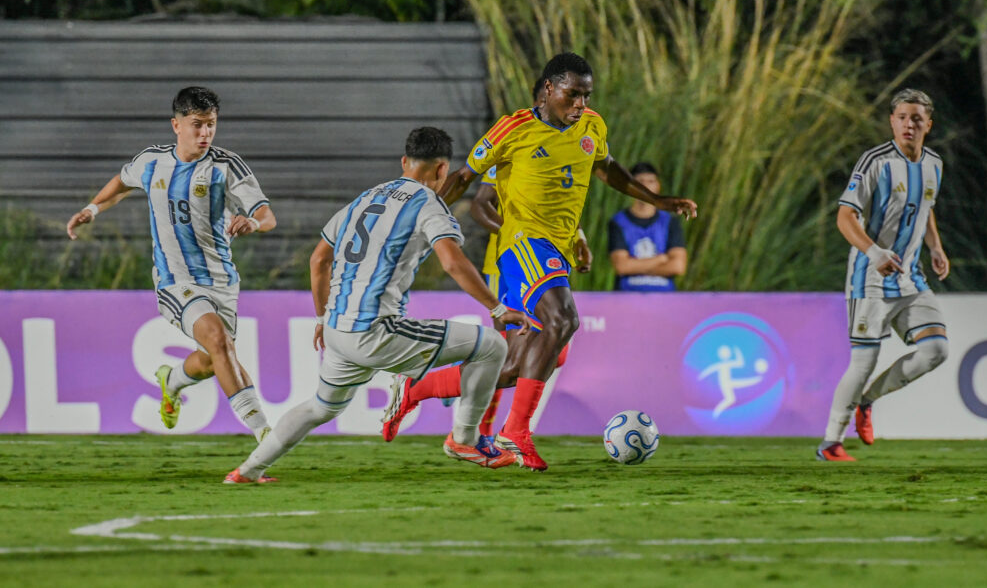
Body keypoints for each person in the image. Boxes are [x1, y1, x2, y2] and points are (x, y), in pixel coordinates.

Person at [382, 52, 698, 471]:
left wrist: (657, 202)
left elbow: (606, 169)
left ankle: (417, 388)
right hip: (522, 244)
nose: (581, 104)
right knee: (563, 320)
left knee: (515, 364)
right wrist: (419, 217)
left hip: (558, 250)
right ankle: (515, 433)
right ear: (549, 88)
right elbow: (465, 180)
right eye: (573, 94)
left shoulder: (592, 126)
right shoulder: (513, 129)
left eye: (586, 95)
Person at [223, 126, 530, 483]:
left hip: (338, 328)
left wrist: (322, 317)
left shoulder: (365, 198)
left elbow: (319, 260)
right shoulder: (428, 204)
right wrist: (496, 308)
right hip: (375, 330)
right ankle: (465, 439)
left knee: (320, 407)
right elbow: (451, 262)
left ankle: (247, 470)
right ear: (442, 169)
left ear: (404, 162)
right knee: (491, 345)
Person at [66, 86, 276, 442]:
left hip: (221, 281)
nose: (205, 133)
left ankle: (173, 380)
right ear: (176, 125)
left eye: (211, 124)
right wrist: (92, 208)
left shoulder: (226, 166)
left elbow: (267, 215)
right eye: (197, 125)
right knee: (218, 340)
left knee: (213, 358)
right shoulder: (152, 161)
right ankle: (265, 435)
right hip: (174, 280)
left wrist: (253, 222)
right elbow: (122, 182)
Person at [817, 88, 950, 462]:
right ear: (892, 121)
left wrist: (935, 246)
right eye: (903, 117)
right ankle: (830, 443)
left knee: (936, 350)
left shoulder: (934, 163)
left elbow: (926, 207)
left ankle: (868, 400)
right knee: (864, 361)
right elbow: (845, 216)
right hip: (869, 277)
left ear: (928, 124)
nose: (910, 124)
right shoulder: (875, 161)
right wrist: (874, 252)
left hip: (910, 276)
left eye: (917, 118)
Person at [462, 76, 588, 441]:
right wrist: (515, 234)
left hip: (544, 256)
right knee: (507, 351)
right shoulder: (511, 141)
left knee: (536, 351)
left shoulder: (564, 143)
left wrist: (577, 236)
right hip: (508, 263)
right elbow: (479, 204)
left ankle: (484, 419)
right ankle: (481, 432)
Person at [607, 161, 687, 291]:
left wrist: (635, 266)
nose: (645, 186)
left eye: (650, 181)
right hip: (626, 297)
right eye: (640, 182)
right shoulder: (618, 222)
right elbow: (622, 266)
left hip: (664, 298)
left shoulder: (670, 222)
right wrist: (661, 259)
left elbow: (678, 266)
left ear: (658, 186)